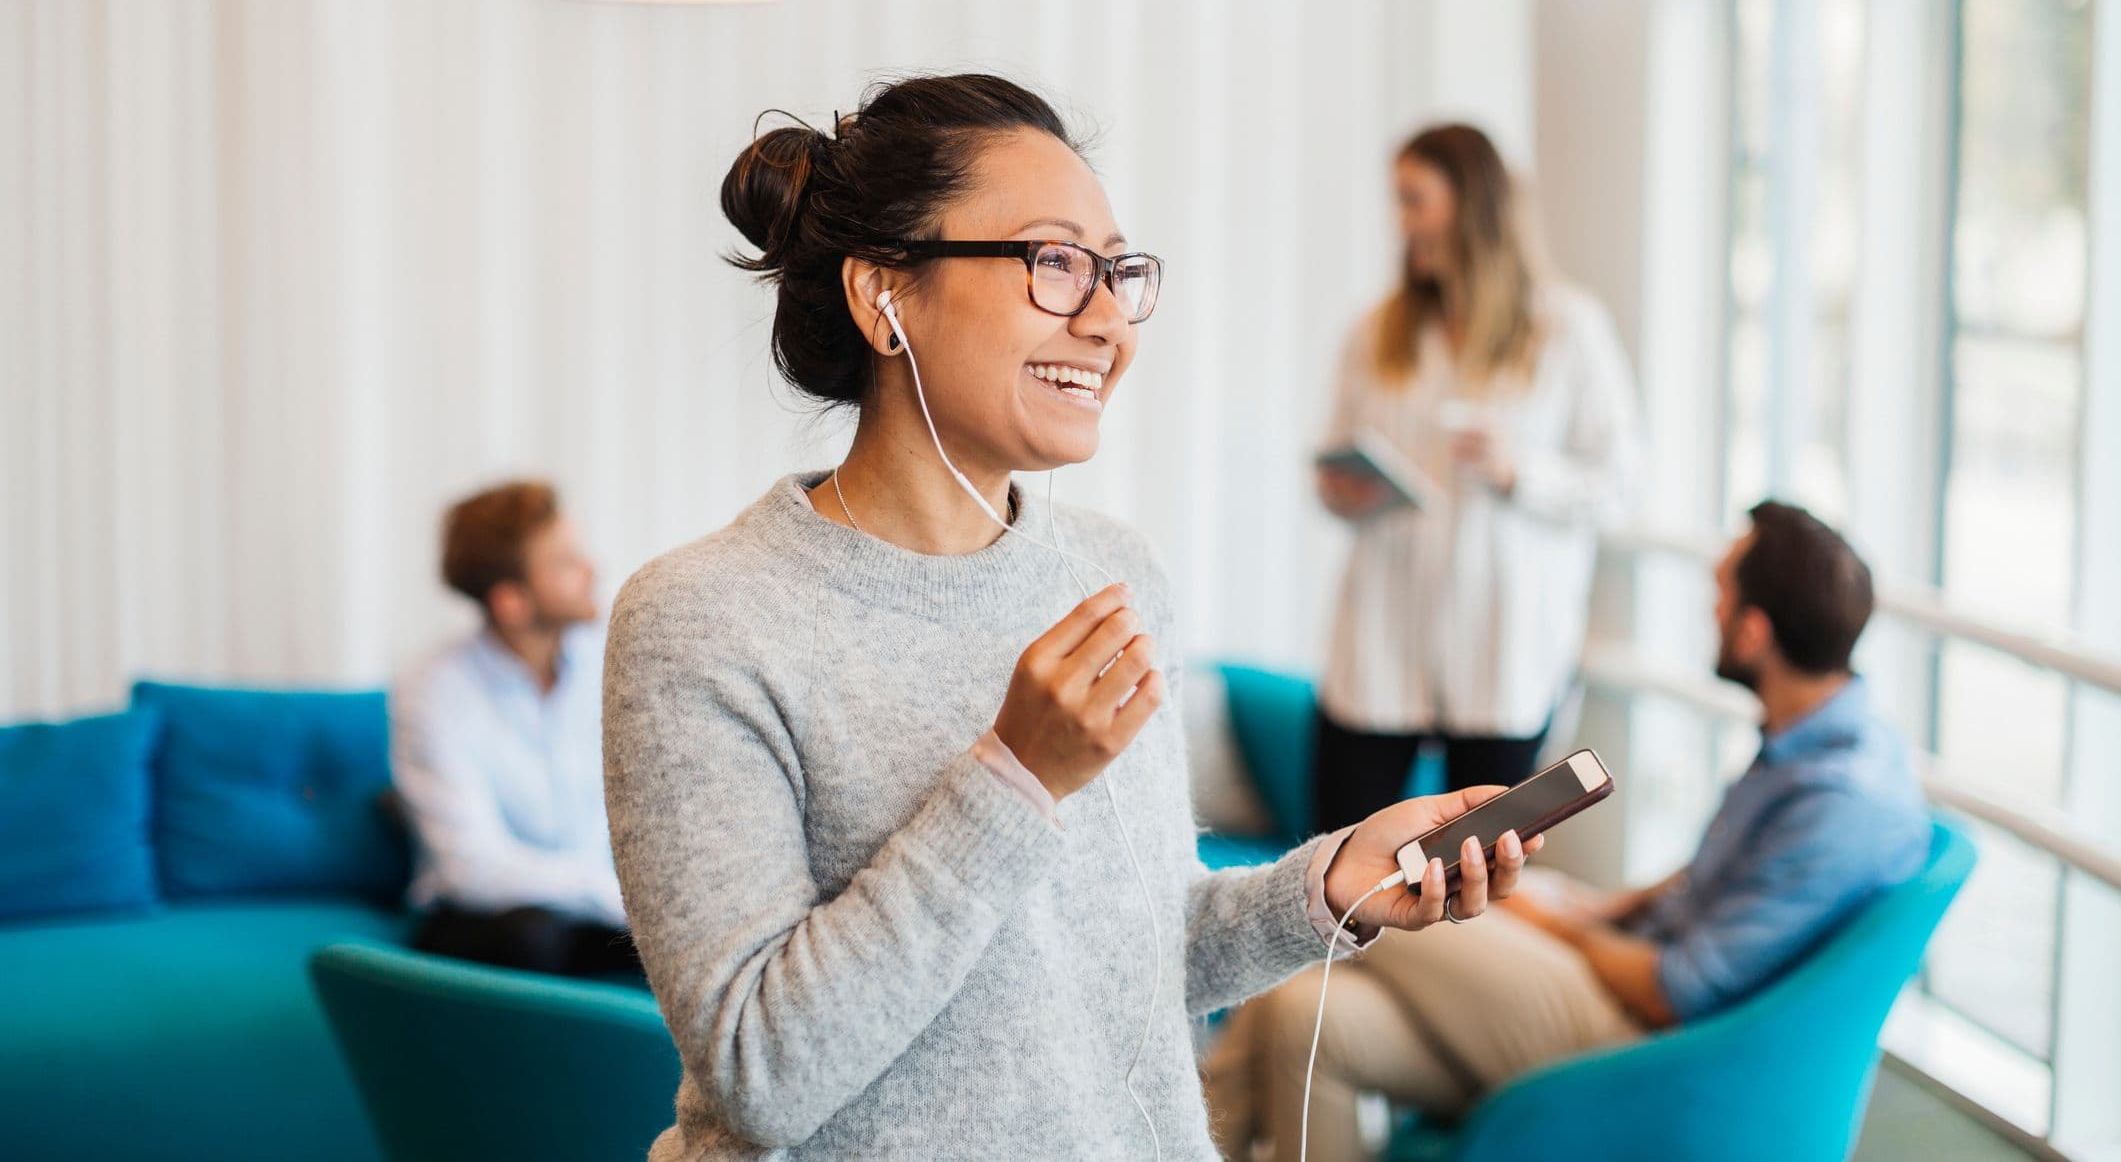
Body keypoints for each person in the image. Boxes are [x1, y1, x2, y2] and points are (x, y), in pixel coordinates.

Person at [601, 75, 1545, 1160]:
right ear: (883, 297)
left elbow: (1135, 954)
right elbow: (764, 1071)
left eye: (1118, 271)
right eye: (1054, 264)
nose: (1107, 323)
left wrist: (1335, 883)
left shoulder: (1113, 570)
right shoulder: (703, 621)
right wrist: (1014, 776)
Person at [1205, 501, 1931, 1162]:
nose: (1707, 610)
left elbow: (1671, 992)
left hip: (1649, 1048)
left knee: (1366, 898)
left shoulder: (1835, 803)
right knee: (1301, 1017)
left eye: (1719, 593)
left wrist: (1556, 926)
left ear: (1753, 631)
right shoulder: (1830, 742)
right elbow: (1727, 879)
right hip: (1629, 987)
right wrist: (1602, 908)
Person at [1314, 123, 1642, 828]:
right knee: (1336, 854)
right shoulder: (1376, 332)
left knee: (1481, 868)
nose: (1400, 223)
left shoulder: (1568, 330)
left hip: (1504, 655)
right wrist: (1344, 491)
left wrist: (1517, 472)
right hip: (1381, 641)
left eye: (1413, 200)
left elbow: (1617, 487)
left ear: (1472, 204)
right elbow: (1333, 461)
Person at [390, 480, 636, 978]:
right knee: (534, 937)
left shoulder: (610, 660)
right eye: (566, 563)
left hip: (597, 910)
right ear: (511, 602)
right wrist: (610, 895)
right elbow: (472, 867)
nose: (592, 570)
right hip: (481, 915)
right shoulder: (434, 689)